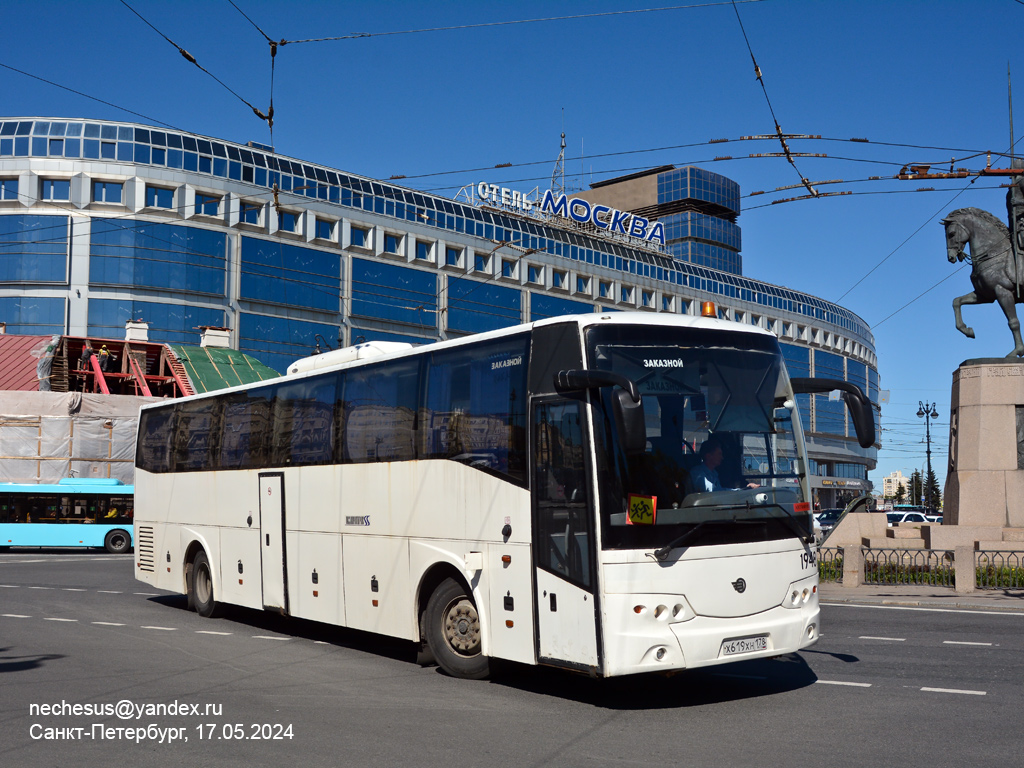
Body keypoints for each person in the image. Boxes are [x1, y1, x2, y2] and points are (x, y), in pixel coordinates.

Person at [692, 436, 759, 492]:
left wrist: (746, 488)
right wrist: (742, 490)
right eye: (719, 454)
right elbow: (715, 492)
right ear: (708, 456)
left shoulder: (714, 473)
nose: (722, 457)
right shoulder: (697, 473)